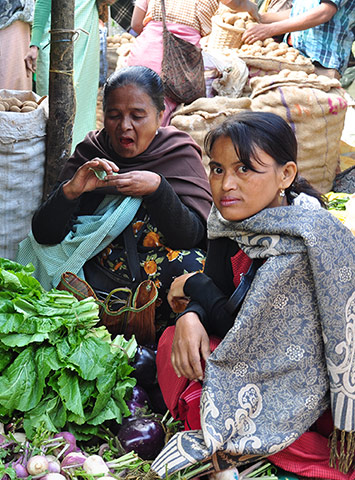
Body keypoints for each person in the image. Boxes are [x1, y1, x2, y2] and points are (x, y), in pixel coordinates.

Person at [154, 112, 355, 480]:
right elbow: (220, 289)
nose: (226, 183)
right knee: (174, 343)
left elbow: (248, 334)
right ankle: (230, 442)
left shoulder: (304, 242)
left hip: (306, 385)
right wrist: (191, 315)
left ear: (286, 175)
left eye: (244, 169)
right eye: (217, 169)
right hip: (251, 363)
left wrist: (193, 288)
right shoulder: (231, 220)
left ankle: (234, 446)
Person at [21, 66, 212, 336]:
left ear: (160, 117)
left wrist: (158, 189)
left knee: (195, 270)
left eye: (137, 116)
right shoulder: (92, 153)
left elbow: (191, 236)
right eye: (114, 115)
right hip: (93, 280)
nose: (124, 126)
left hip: (156, 279)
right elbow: (44, 235)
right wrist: (72, 191)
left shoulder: (178, 153)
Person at [126, 0, 259, 124]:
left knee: (130, 117)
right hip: (176, 64)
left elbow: (136, 23)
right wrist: (252, 9)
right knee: (156, 125)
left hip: (141, 52)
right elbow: (235, 2)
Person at [24, 0, 99, 147]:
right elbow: (43, 3)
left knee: (84, 102)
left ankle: (81, 154)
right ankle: (48, 158)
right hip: (54, 38)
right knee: (50, 102)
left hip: (85, 34)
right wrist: (35, 44)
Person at [241, 0, 354, 78]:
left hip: (322, 63)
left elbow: (324, 12)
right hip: (295, 57)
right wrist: (259, 17)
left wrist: (270, 29)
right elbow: (296, 12)